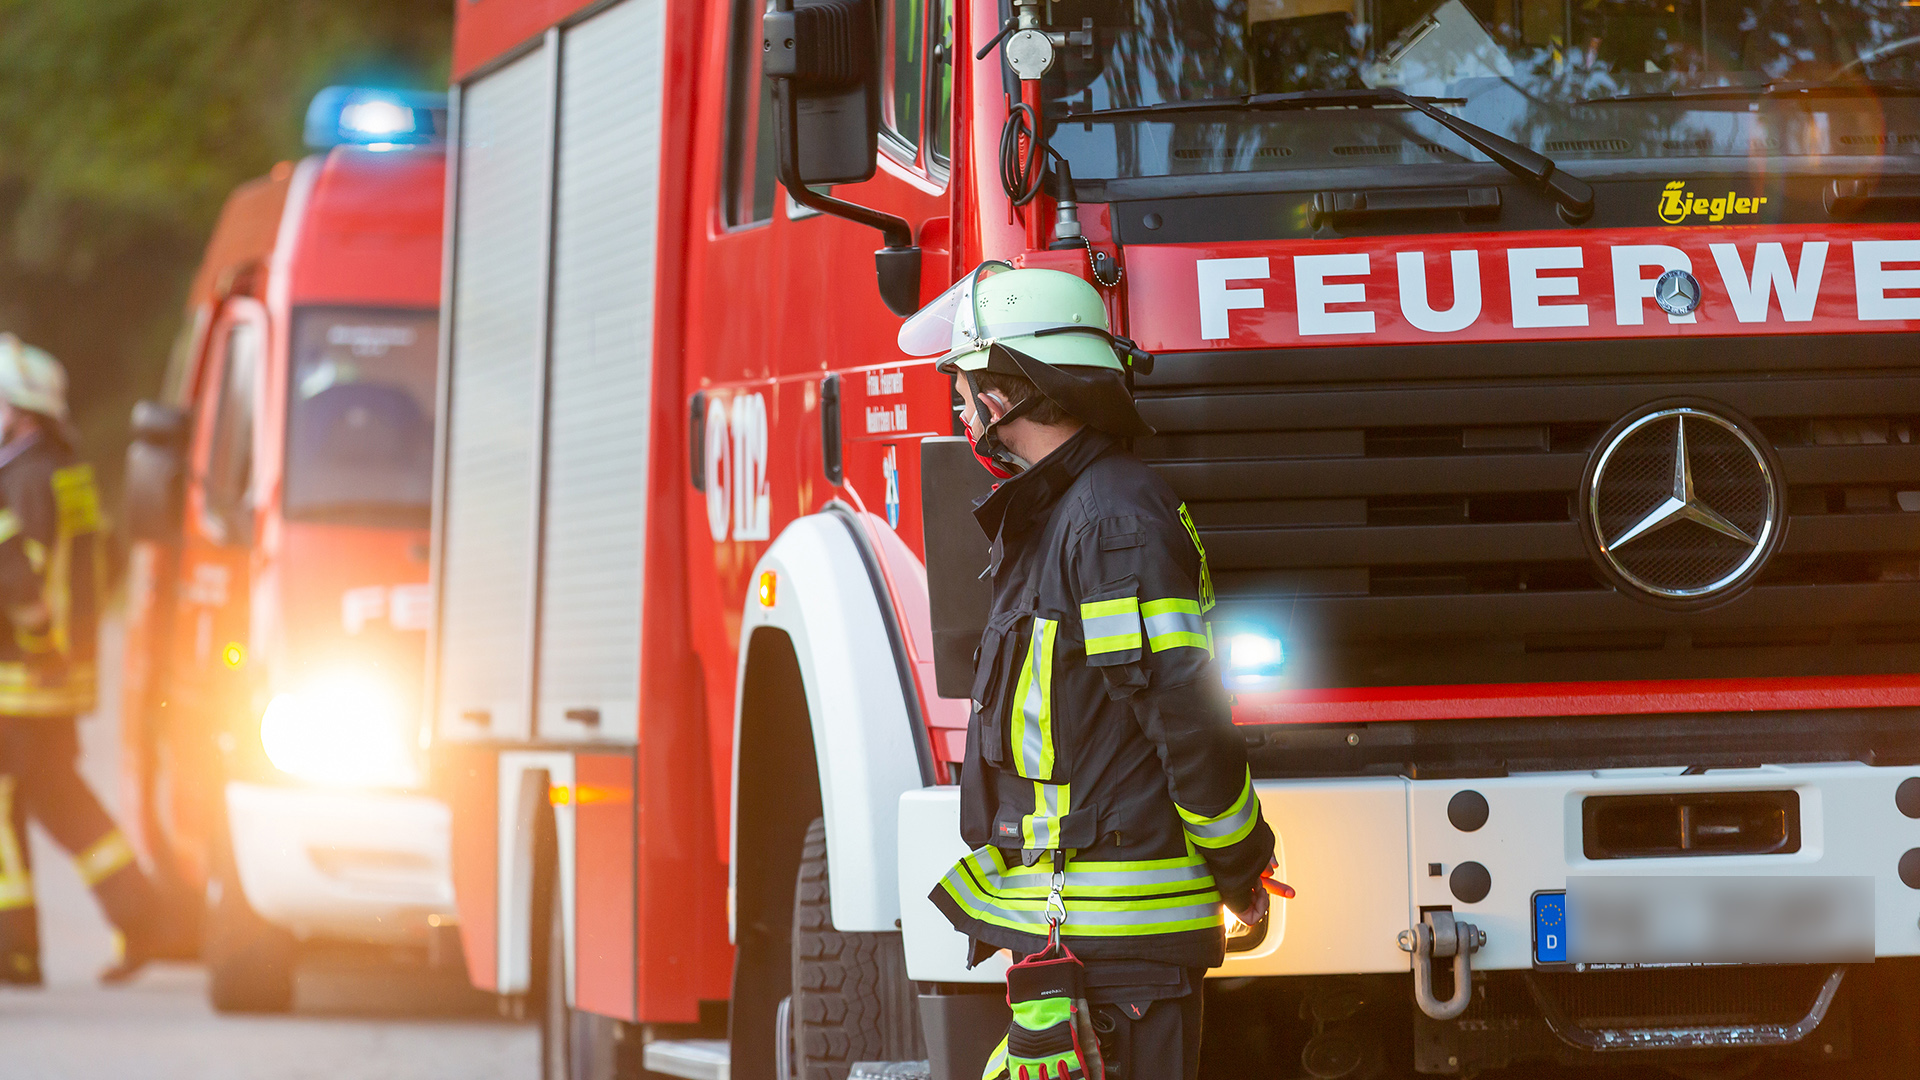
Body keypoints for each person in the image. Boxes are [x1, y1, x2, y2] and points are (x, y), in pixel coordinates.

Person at [901, 265, 1288, 1080]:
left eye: (967, 387)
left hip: (1124, 952)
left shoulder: (1110, 520)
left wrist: (1240, 860)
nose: (963, 410)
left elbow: (1180, 708)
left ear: (1002, 398)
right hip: (1083, 937)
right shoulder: (1065, 516)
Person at [0, 334, 166, 985]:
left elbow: (17, 580)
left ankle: (12, 950)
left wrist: (39, 642)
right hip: (54, 683)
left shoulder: (23, 478)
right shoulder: (67, 472)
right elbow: (109, 560)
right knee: (60, 800)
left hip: (18, 683)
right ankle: (148, 918)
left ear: (22, 410)